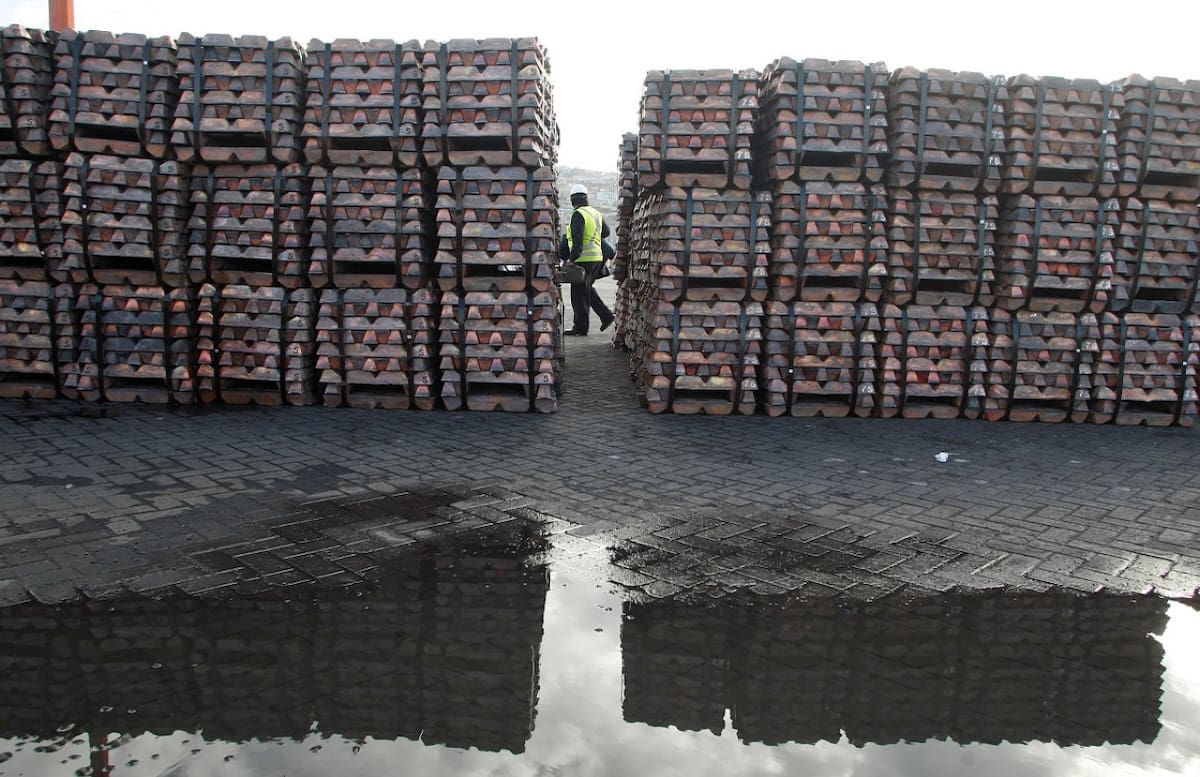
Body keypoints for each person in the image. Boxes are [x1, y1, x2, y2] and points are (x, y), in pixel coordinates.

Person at [561, 183, 614, 336]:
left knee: (578, 294)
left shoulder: (578, 214)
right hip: (597, 257)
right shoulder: (595, 213)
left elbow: (577, 238)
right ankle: (606, 315)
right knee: (586, 289)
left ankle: (580, 327)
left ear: (572, 200)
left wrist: (572, 258)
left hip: (583, 258)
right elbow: (606, 232)